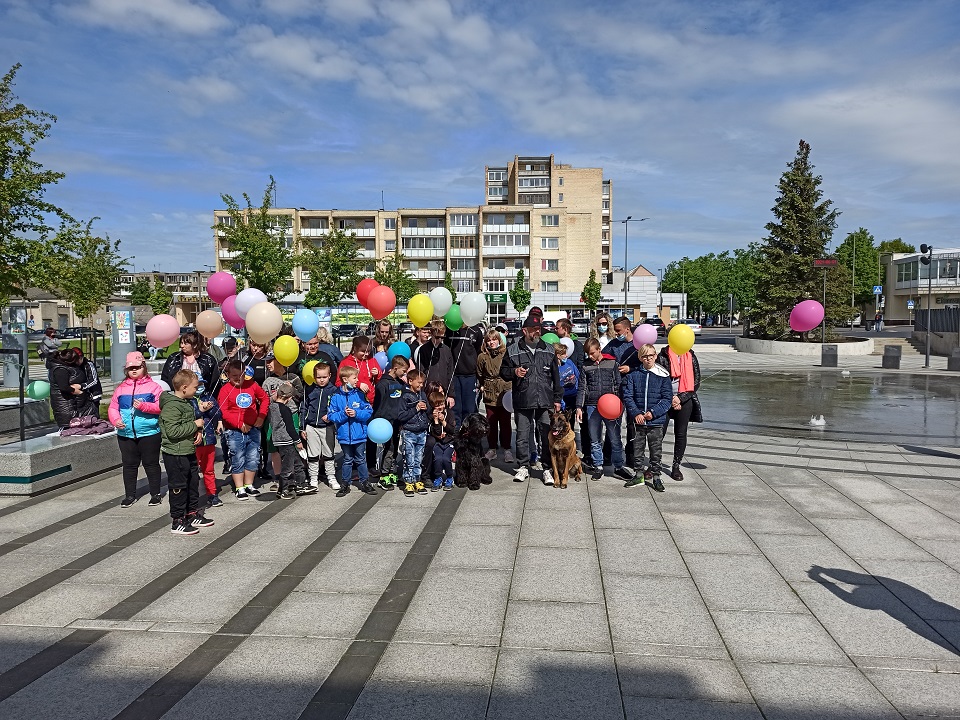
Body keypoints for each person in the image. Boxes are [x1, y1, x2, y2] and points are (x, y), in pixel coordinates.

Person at [500, 316, 562, 485]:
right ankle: (523, 466)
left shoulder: (549, 349)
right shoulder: (513, 349)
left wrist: (557, 398)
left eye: (539, 328)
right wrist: (514, 372)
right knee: (522, 434)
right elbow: (503, 371)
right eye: (534, 329)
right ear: (525, 330)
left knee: (546, 434)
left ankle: (547, 468)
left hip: (545, 399)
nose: (537, 331)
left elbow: (556, 377)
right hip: (523, 398)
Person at [159, 370, 214, 535]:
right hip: (175, 453)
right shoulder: (171, 406)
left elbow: (185, 425)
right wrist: (195, 425)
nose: (197, 390)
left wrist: (195, 432)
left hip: (188, 450)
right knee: (179, 487)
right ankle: (178, 520)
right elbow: (172, 431)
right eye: (195, 387)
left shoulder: (186, 402)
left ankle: (191, 514)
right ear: (184, 388)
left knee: (192, 482)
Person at [108, 351, 165, 508]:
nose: (134, 370)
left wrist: (145, 406)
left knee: (151, 463)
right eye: (130, 368)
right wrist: (116, 420)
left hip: (149, 433)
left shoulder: (154, 387)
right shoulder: (120, 389)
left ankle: (155, 494)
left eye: (137, 367)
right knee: (129, 465)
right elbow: (113, 407)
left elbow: (161, 406)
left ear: (144, 367)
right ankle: (130, 495)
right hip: (125, 434)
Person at [576, 338, 632, 481]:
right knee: (594, 438)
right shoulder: (585, 366)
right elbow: (582, 387)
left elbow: (619, 384)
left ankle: (618, 466)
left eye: (593, 353)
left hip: (611, 405)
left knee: (615, 438)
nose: (590, 356)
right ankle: (598, 466)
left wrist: (621, 404)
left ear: (599, 349)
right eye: (588, 354)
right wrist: (578, 407)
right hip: (592, 405)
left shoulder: (612, 363)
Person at [621, 344, 673, 492]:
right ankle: (638, 475)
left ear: (655, 356)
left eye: (651, 355)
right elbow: (628, 396)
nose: (648, 358)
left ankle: (656, 476)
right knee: (637, 449)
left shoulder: (663, 376)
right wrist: (636, 413)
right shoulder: (633, 375)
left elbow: (667, 399)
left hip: (655, 422)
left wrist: (653, 412)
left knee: (655, 450)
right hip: (638, 421)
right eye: (645, 356)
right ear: (640, 358)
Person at [217, 358, 267, 500]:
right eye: (234, 376)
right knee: (237, 457)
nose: (239, 379)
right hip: (234, 431)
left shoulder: (252, 385)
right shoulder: (225, 389)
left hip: (253, 429)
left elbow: (264, 399)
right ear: (228, 375)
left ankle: (249, 484)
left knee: (253, 457)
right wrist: (239, 424)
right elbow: (224, 411)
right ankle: (239, 487)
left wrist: (261, 417)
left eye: (241, 375)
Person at [328, 365, 376, 497]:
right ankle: (345, 484)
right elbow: (331, 415)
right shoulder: (336, 397)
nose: (357, 380)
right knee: (348, 459)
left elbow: (368, 412)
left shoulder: (360, 395)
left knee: (361, 459)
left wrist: (356, 413)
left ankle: (365, 482)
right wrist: (344, 414)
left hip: (359, 434)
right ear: (345, 379)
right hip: (344, 436)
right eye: (354, 378)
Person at [656, 342, 702, 481]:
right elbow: (657, 379)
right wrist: (670, 398)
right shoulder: (663, 356)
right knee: (658, 433)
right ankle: (655, 464)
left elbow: (696, 381)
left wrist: (680, 399)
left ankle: (676, 466)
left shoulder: (690, 356)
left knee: (681, 433)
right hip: (665, 399)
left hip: (685, 399)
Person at [370, 355, 409, 490]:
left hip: (396, 421)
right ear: (395, 368)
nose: (404, 374)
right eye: (403, 371)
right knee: (389, 448)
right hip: (385, 421)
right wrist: (379, 420)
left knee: (394, 448)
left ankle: (392, 472)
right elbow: (378, 405)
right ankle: (384, 475)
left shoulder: (399, 383)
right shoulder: (383, 384)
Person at [300, 362, 340, 492]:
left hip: (327, 426)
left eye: (324, 377)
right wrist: (302, 427)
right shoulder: (309, 389)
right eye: (318, 377)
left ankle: (331, 477)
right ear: (314, 377)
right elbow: (304, 408)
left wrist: (331, 416)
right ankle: (313, 478)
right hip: (311, 426)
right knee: (312, 454)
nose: (321, 380)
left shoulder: (334, 391)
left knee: (328, 453)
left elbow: (337, 408)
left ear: (329, 376)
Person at [476, 327, 513, 462]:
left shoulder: (505, 354)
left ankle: (507, 449)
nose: (491, 343)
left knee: (505, 422)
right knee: (491, 421)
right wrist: (482, 385)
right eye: (489, 340)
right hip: (489, 390)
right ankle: (492, 449)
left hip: (504, 390)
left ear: (499, 340)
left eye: (494, 340)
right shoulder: (482, 357)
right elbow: (479, 374)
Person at [267, 381, 307, 500]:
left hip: (277, 439)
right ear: (289, 398)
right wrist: (298, 441)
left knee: (297, 462)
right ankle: (283, 490)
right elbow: (290, 427)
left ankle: (299, 484)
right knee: (288, 467)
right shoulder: (285, 409)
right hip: (287, 440)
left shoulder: (272, 407)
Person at [397, 368, 429, 497]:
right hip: (409, 431)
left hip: (422, 431)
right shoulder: (405, 396)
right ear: (410, 381)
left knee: (418, 458)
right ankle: (408, 481)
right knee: (409, 458)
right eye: (419, 383)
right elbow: (401, 415)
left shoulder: (423, 395)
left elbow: (428, 410)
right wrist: (415, 409)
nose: (421, 385)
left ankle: (417, 479)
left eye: (422, 383)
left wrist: (426, 408)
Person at [49, 348, 100, 430]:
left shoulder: (71, 367)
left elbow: (94, 380)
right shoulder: (60, 369)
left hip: (78, 404)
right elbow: (64, 387)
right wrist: (79, 392)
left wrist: (82, 389)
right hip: (67, 407)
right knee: (70, 430)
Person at [446, 322, 483, 427]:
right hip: (454, 376)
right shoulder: (450, 329)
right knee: (455, 408)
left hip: (470, 376)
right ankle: (456, 434)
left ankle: (469, 434)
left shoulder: (476, 331)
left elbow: (478, 350)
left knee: (469, 409)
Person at [413, 320, 455, 399]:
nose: (439, 340)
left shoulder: (446, 350)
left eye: (442, 337)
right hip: (428, 389)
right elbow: (420, 371)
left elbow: (450, 373)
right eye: (437, 337)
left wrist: (451, 395)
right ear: (431, 334)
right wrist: (420, 391)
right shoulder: (423, 349)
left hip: (443, 389)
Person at [337, 335, 381, 404]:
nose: (366, 354)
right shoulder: (345, 362)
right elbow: (339, 383)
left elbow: (380, 382)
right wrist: (358, 384)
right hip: (353, 402)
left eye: (369, 351)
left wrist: (377, 374)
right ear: (355, 348)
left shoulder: (372, 360)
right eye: (363, 351)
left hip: (372, 402)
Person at [428, 389, 455, 491]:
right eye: (437, 405)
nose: (440, 407)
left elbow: (453, 431)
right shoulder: (431, 417)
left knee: (446, 459)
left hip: (449, 443)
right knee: (438, 459)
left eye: (442, 404)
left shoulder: (450, 414)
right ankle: (438, 478)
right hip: (439, 443)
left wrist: (443, 422)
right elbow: (437, 432)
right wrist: (436, 421)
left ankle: (449, 477)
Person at [555, 342, 580, 423]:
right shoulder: (554, 368)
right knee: (567, 422)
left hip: (574, 395)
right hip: (563, 398)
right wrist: (561, 402)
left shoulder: (569, 362)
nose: (566, 355)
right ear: (558, 356)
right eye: (564, 354)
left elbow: (578, 375)